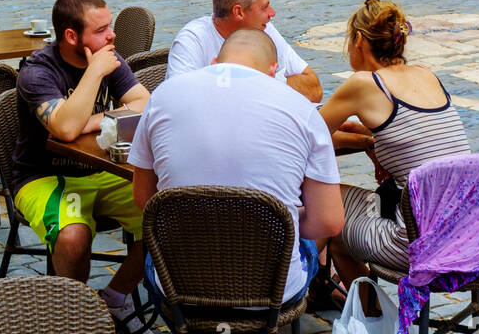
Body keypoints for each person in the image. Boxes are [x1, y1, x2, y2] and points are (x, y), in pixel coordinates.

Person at [130, 29, 344, 309]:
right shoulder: (302, 109)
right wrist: (276, 220)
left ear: (215, 60)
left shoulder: (162, 96)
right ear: (273, 71)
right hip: (272, 290)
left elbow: (144, 198)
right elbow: (328, 222)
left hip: (177, 285)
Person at [12, 0, 154, 334]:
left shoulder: (109, 58)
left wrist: (93, 120)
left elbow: (144, 102)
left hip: (101, 171)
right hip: (42, 177)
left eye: (110, 25)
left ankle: (116, 299)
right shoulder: (37, 72)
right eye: (101, 29)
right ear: (71, 36)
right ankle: (75, 324)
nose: (112, 34)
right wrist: (93, 75)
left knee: (164, 211)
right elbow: (63, 127)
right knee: (73, 236)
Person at [319, 0, 470, 290]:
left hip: (416, 243)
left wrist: (366, 141)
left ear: (359, 40)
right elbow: (410, 135)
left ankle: (371, 317)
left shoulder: (365, 83)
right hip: (463, 233)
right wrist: (371, 141)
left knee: (330, 217)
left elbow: (307, 135)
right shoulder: (427, 75)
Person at [166, 0, 322, 101]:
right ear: (238, 12)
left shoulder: (264, 30)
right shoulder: (192, 40)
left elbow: (314, 90)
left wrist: (258, 83)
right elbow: (176, 100)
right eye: (264, 7)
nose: (272, 13)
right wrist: (264, 83)